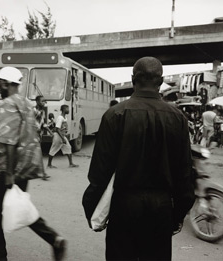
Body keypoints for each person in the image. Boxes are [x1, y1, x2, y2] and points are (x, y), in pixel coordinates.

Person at [82, 57, 195, 261]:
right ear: (160, 82)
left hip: (123, 206)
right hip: (161, 208)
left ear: (133, 79)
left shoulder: (114, 115)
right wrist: (177, 214)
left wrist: (92, 209)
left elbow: (99, 173)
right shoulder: (178, 118)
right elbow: (184, 173)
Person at [0, 67, 66, 261]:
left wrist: (9, 174)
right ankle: (54, 238)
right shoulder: (27, 105)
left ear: (7, 84)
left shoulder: (7, 105)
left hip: (5, 169)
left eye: (0, 83)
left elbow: (9, 142)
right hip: (25, 168)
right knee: (20, 206)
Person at [33, 95, 52, 180]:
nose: (44, 103)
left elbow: (43, 124)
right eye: (42, 101)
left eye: (45, 101)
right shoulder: (32, 110)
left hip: (38, 135)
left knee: (34, 154)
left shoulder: (43, 112)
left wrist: (50, 131)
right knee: (38, 154)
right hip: (32, 135)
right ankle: (43, 173)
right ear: (37, 102)